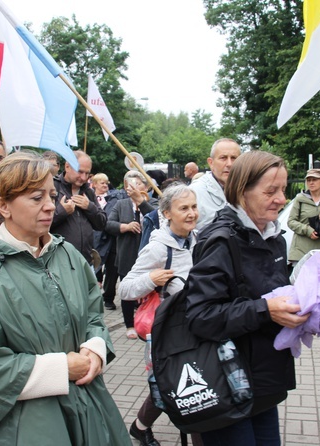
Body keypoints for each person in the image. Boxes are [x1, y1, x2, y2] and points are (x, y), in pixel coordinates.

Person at [0, 151, 131, 445]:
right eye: (36, 198)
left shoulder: (68, 255)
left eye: (51, 195)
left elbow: (93, 313)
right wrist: (61, 369)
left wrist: (95, 348)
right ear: (2, 206)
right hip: (28, 425)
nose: (50, 206)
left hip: (89, 410)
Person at [185, 150, 309, 445]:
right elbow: (201, 317)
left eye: (283, 189)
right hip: (229, 385)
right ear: (242, 192)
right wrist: (266, 311)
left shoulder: (273, 237)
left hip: (264, 382)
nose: (281, 199)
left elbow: (270, 295)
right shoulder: (220, 240)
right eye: (271, 191)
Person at [118, 183, 199, 446]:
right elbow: (126, 289)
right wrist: (152, 279)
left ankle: (140, 427)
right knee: (172, 387)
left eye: (194, 207)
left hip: (195, 328)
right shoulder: (157, 249)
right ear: (167, 214)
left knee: (185, 386)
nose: (191, 213)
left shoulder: (196, 240)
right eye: (183, 208)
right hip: (165, 333)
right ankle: (141, 428)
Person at [106, 171, 157, 339]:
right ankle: (129, 324)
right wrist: (125, 227)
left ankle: (150, 321)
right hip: (127, 254)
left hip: (150, 255)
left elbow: (158, 219)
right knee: (127, 290)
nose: (132, 188)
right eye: (129, 186)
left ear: (146, 186)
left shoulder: (154, 202)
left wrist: (140, 201)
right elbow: (108, 224)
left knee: (151, 290)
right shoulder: (121, 204)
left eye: (137, 184)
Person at [51, 150, 107, 264]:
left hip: (85, 260)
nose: (83, 177)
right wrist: (62, 211)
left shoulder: (88, 191)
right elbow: (39, 223)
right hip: (59, 261)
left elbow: (102, 224)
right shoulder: (53, 187)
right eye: (80, 172)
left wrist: (90, 207)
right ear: (67, 166)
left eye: (87, 173)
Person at [287, 168, 320, 265]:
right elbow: (291, 222)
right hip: (301, 251)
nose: (311, 183)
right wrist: (308, 230)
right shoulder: (300, 199)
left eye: (314, 179)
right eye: (309, 180)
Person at [190, 138, 241, 230]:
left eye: (233, 158)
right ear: (211, 163)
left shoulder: (249, 190)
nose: (229, 164)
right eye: (223, 158)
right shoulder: (194, 192)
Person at [91, 173, 122, 310]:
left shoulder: (115, 198)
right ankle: (93, 295)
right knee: (94, 266)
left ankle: (108, 297)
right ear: (94, 184)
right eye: (102, 183)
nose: (105, 185)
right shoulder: (88, 198)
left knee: (112, 269)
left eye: (106, 183)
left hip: (111, 238)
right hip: (93, 238)